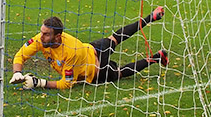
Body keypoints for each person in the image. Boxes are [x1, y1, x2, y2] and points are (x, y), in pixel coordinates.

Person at [10, 8, 167, 90]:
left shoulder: (71, 51)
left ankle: (156, 53)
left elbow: (66, 84)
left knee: (118, 72)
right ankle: (157, 51)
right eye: (41, 32)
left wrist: (40, 83)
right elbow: (20, 55)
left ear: (57, 36)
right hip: (92, 48)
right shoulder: (40, 40)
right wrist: (17, 72)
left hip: (96, 70)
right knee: (114, 39)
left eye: (46, 34)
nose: (41, 37)